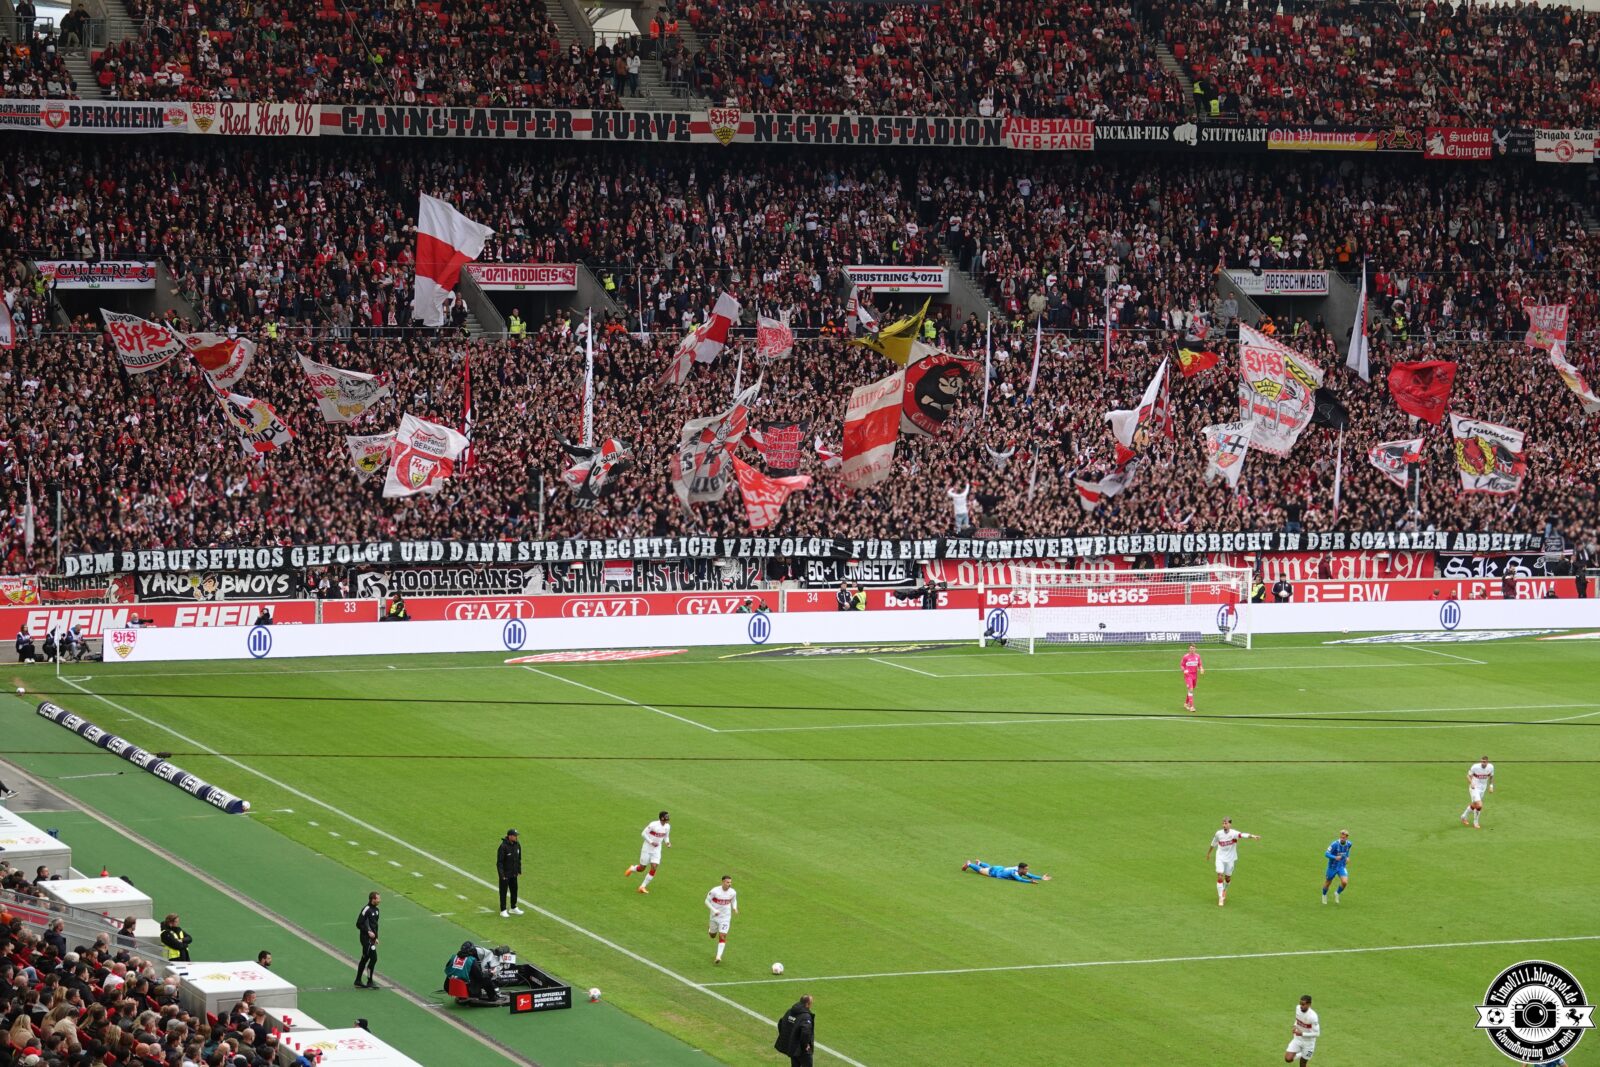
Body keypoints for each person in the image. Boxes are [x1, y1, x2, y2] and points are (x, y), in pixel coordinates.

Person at [1205, 817, 1261, 906]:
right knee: (1220, 876)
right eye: (1223, 823)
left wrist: (1253, 836)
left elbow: (1243, 835)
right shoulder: (1218, 833)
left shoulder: (1234, 833)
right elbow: (1213, 843)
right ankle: (1220, 897)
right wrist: (1208, 853)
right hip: (1220, 858)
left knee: (1227, 878)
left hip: (1230, 859)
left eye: (1226, 823)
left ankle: (1224, 890)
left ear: (1230, 824)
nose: (1224, 825)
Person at [624, 811, 670, 893]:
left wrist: (667, 842)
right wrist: (651, 842)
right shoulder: (653, 825)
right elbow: (643, 833)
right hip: (647, 848)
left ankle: (642, 886)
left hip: (657, 850)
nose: (668, 817)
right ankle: (632, 868)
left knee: (654, 867)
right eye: (666, 816)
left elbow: (666, 836)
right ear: (662, 818)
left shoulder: (667, 827)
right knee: (642, 868)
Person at [706, 875, 738, 964]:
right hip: (714, 916)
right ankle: (710, 930)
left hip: (725, 917)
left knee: (722, 936)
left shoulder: (732, 892)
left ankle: (718, 956)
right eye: (728, 882)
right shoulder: (715, 891)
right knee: (712, 935)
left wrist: (734, 907)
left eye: (730, 882)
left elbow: (734, 900)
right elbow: (706, 901)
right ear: (723, 882)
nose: (729, 884)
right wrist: (714, 910)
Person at [775, 994, 814, 1067]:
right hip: (802, 1050)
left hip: (792, 1047)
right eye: (811, 1003)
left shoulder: (790, 1011)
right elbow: (805, 1033)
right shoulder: (806, 1016)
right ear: (807, 1004)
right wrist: (805, 1045)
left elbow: (781, 1023)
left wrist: (788, 1038)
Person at [355, 891, 380, 988]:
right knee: (374, 958)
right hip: (365, 939)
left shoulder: (377, 910)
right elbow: (358, 923)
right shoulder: (366, 909)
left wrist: (376, 937)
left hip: (372, 939)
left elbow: (375, 926)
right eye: (378, 898)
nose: (380, 900)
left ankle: (358, 980)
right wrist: (368, 932)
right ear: (373, 899)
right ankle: (369, 981)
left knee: (365, 958)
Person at [1462, 756, 1494, 829]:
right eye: (1482, 761)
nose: (1483, 763)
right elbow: (1468, 776)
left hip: (1483, 788)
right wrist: (1471, 783)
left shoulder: (1491, 767)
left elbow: (1491, 776)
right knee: (1479, 805)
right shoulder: (1475, 767)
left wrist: (1491, 786)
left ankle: (1463, 817)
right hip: (1474, 787)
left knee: (1475, 805)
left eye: (1484, 762)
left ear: (1487, 762)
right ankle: (1475, 822)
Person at [1285, 994, 1319, 1064]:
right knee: (1288, 1059)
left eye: (1303, 1004)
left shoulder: (1313, 1017)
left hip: (1308, 1043)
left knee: (1303, 1063)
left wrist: (1302, 1033)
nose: (1301, 1006)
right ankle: (1302, 1054)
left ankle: (1304, 1054)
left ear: (1309, 1004)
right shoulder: (1298, 1008)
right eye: (1300, 1004)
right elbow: (1298, 1019)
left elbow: (1317, 1033)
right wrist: (1295, 1025)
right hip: (1298, 1039)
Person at [1321, 830, 1352, 904]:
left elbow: (1347, 850)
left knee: (1344, 882)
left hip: (1341, 866)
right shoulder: (1334, 844)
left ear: (1347, 838)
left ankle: (1337, 893)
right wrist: (1335, 857)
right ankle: (1324, 895)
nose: (1342, 838)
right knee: (1328, 882)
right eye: (1341, 837)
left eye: (1344, 837)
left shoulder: (1349, 844)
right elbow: (1326, 854)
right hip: (1332, 867)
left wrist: (1347, 857)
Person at [497, 829, 523, 917]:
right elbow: (499, 862)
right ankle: (503, 910)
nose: (516, 837)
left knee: (514, 890)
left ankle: (513, 907)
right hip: (505, 874)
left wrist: (518, 870)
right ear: (510, 836)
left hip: (513, 873)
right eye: (515, 835)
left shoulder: (517, 845)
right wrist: (502, 875)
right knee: (503, 892)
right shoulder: (503, 847)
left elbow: (518, 858)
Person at [960, 860, 1050, 883]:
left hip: (999, 868)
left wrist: (1041, 877)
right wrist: (1029, 882)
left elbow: (1031, 875)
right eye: (1026, 869)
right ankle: (969, 864)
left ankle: (980, 862)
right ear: (1021, 869)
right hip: (994, 872)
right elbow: (1019, 880)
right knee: (980, 871)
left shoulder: (1020, 870)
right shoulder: (1014, 872)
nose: (1027, 870)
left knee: (988, 867)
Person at [1181, 644, 1204, 712]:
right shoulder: (1186, 657)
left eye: (1193, 648)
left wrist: (1201, 669)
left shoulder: (1198, 656)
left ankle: (1185, 703)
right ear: (1189, 649)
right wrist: (1184, 670)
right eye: (1191, 648)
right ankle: (1191, 706)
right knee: (1190, 689)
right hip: (1188, 675)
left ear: (1195, 649)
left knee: (1191, 689)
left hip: (1195, 675)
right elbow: (1182, 665)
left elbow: (1200, 664)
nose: (1192, 649)